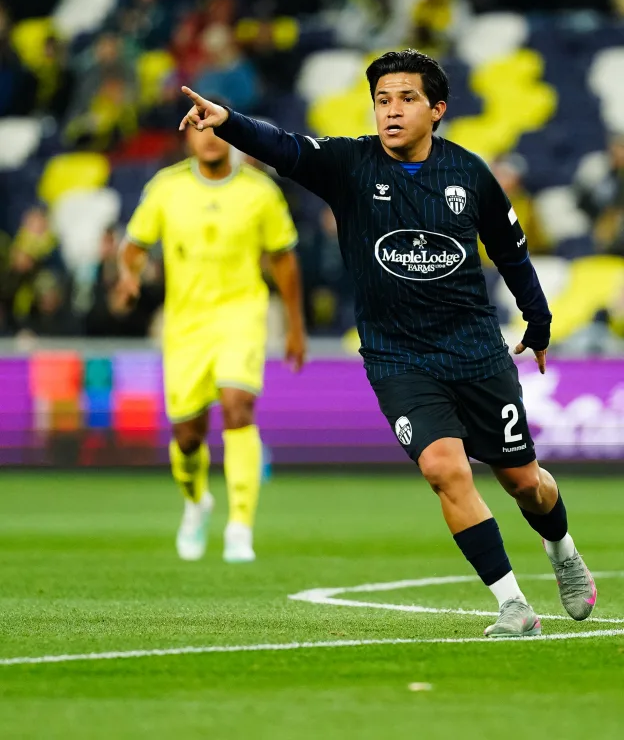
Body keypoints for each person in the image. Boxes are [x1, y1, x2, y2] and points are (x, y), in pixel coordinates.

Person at [179, 49, 596, 637]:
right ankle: (512, 604)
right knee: (443, 469)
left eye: (406, 99)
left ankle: (563, 552)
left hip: (475, 350)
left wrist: (539, 319)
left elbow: (511, 251)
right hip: (397, 356)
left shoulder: (469, 173)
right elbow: (286, 148)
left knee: (524, 482)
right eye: (382, 100)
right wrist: (229, 121)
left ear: (437, 109)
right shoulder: (349, 164)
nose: (391, 111)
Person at [119, 109, 305, 563]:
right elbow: (134, 246)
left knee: (238, 406)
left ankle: (240, 526)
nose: (209, 138)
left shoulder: (260, 192)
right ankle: (196, 501)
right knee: (187, 436)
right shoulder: (166, 188)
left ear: (231, 136)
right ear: (187, 138)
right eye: (199, 130)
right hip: (185, 326)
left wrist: (296, 326)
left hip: (241, 315)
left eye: (217, 129)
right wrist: (128, 275)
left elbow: (283, 259)